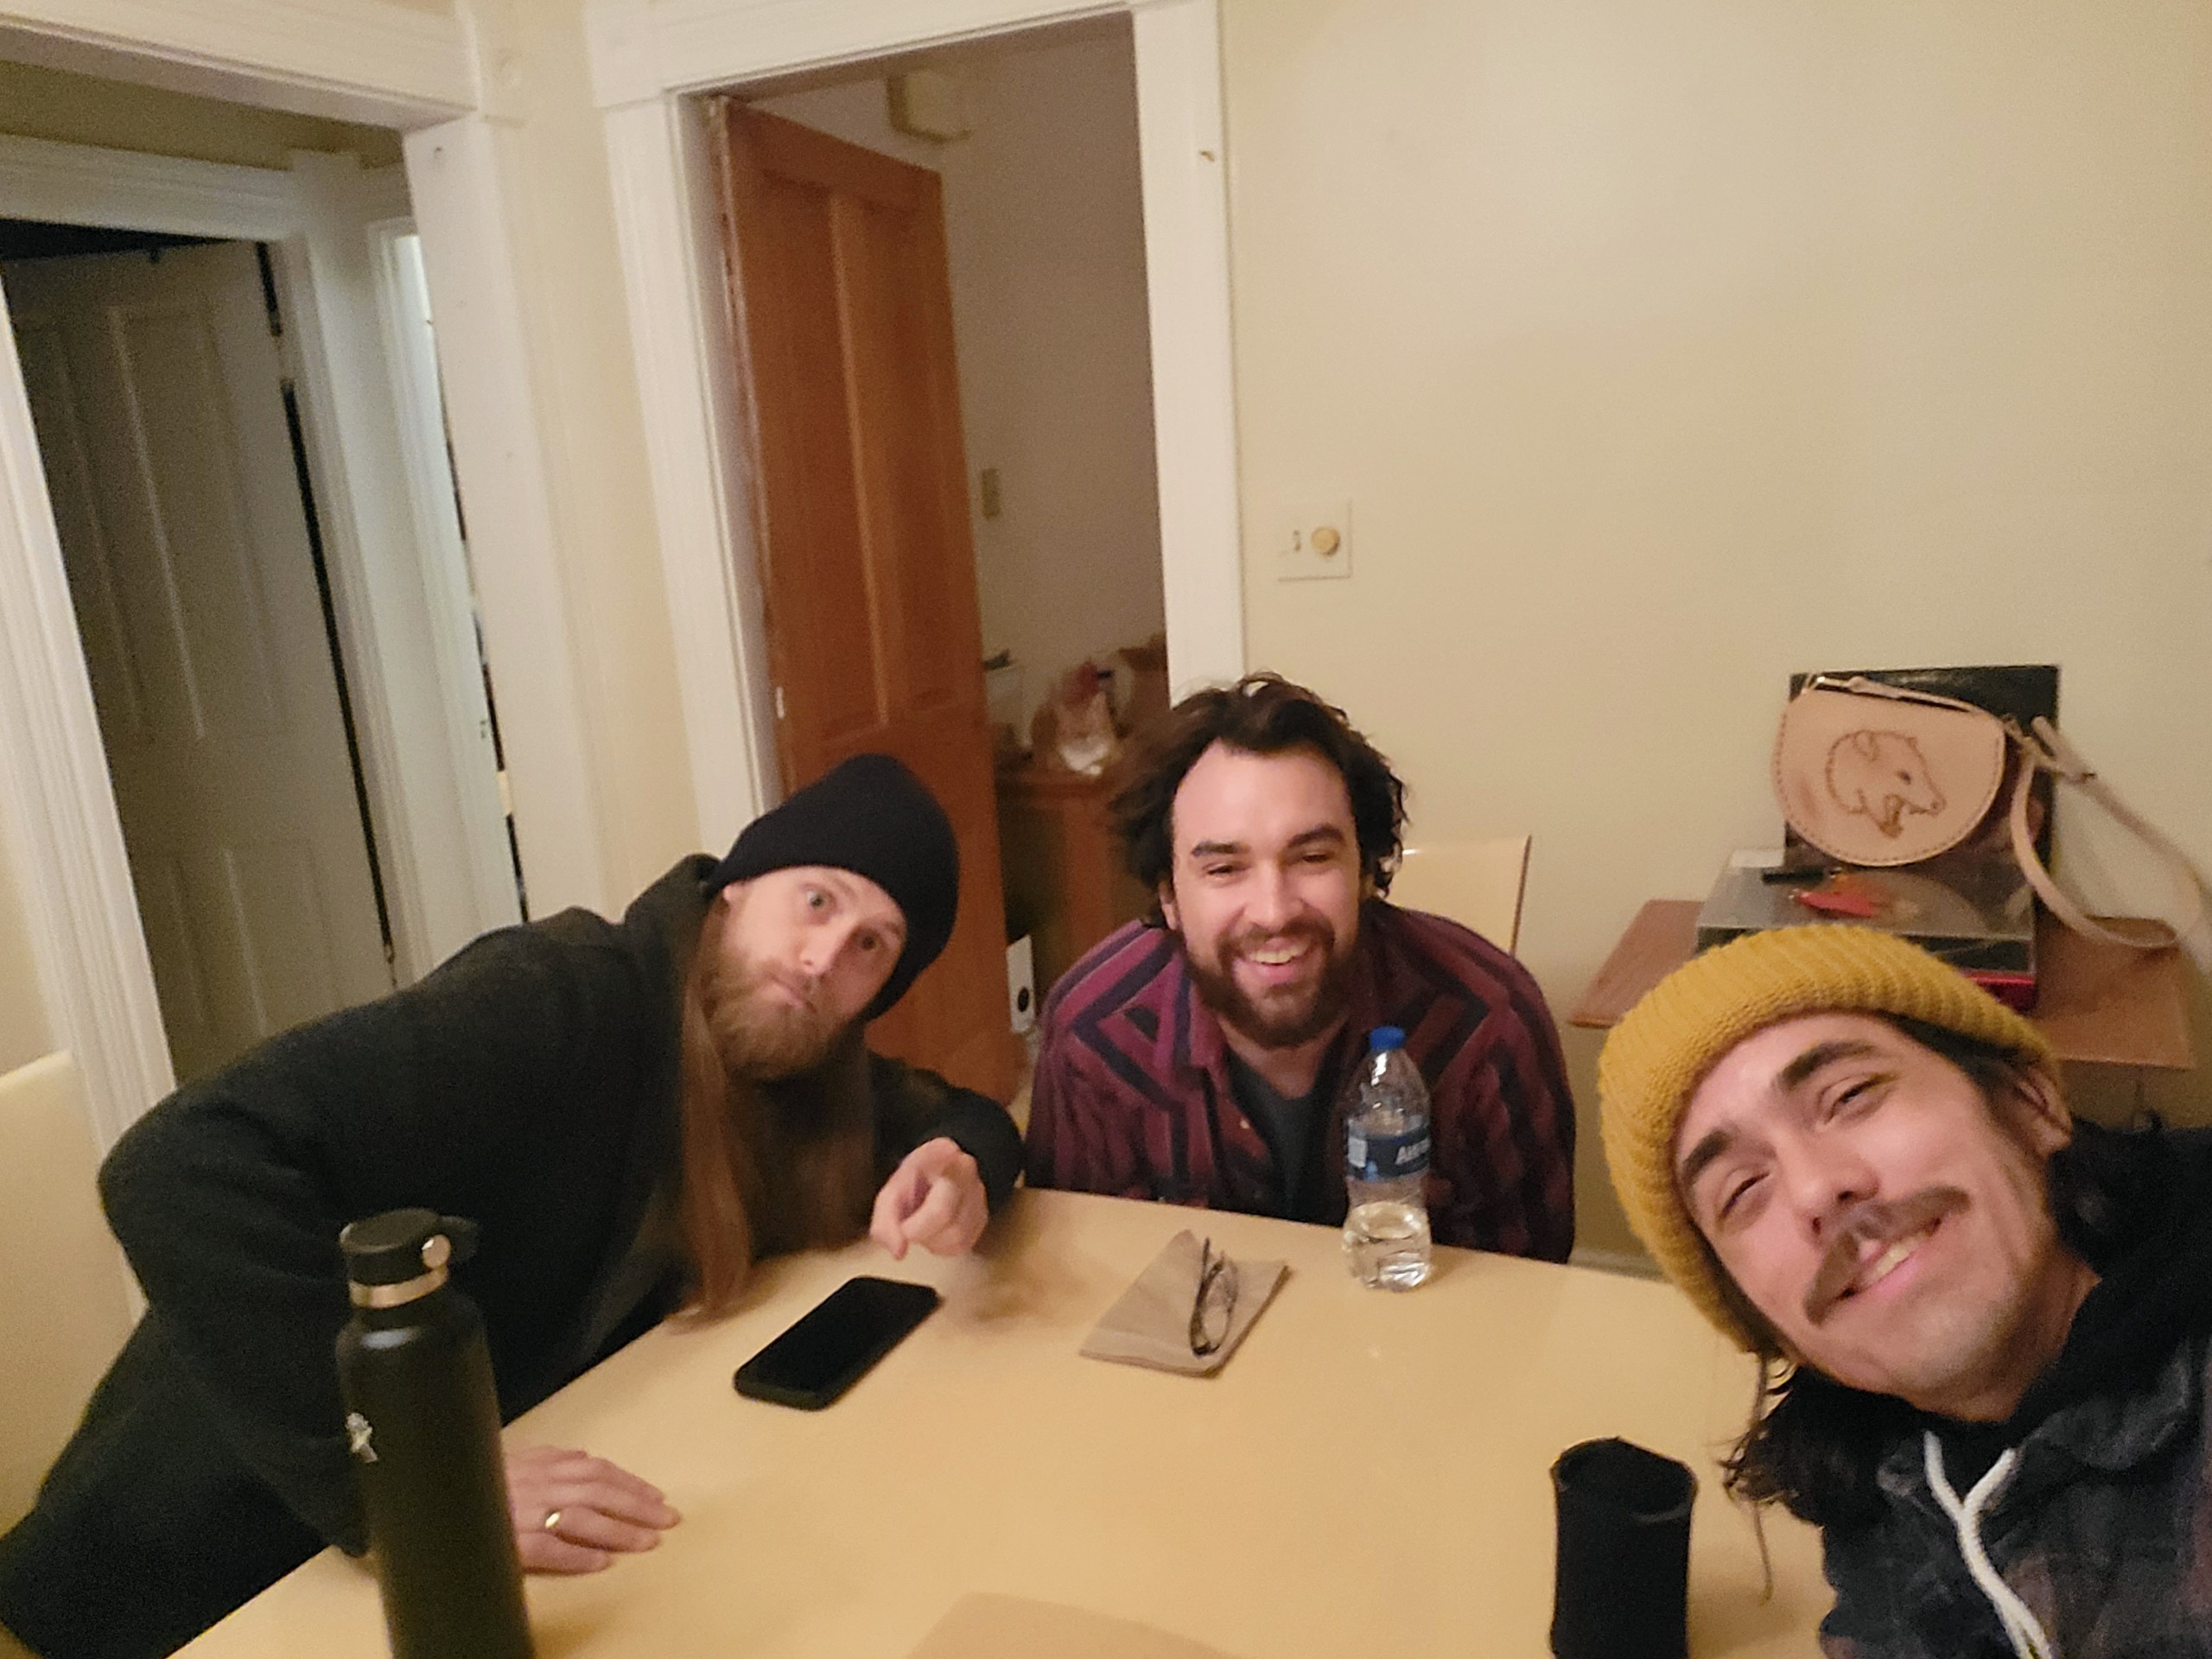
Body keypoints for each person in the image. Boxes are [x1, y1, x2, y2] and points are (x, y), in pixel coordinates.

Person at [0, 753, 1023, 1659]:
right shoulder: (562, 997)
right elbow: (178, 1160)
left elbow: (960, 1115)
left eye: (871, 947)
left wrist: (961, 1159)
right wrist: (409, 1482)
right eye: (817, 901)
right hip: (184, 1576)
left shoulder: (785, 1071)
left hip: (441, 1584)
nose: (822, 958)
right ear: (738, 886)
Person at [1598, 923, 2212, 1658]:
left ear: (2030, 1104)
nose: (1817, 1189)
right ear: (1769, 1328)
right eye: (1742, 1189)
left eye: (1851, 1095)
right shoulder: (1881, 1486)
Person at [1023, 673, 1574, 1259]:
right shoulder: (1093, 1035)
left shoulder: (1491, 1026)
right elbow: (1076, 1280)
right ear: (1169, 897)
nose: (1274, 911)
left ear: (1365, 871)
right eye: (1224, 869)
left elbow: (1528, 1295)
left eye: (1312, 857)